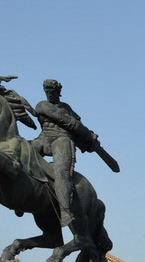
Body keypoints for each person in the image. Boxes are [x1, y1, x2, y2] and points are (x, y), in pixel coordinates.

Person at [31, 79, 98, 227]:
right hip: (44, 138)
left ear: (59, 92)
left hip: (62, 139)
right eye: (47, 91)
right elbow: (70, 122)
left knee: (61, 171)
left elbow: (78, 124)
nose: (50, 94)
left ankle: (65, 209)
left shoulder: (67, 108)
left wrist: (90, 137)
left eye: (53, 92)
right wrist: (86, 133)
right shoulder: (42, 105)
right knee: (25, 152)